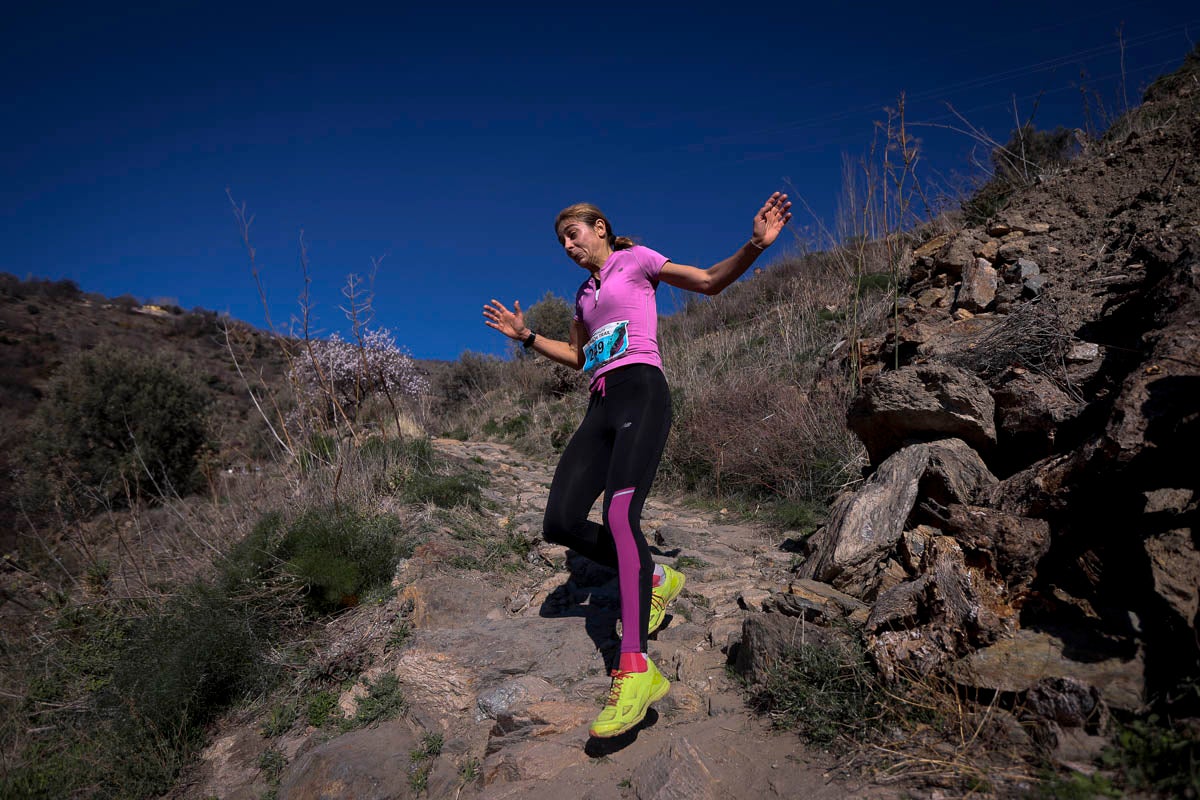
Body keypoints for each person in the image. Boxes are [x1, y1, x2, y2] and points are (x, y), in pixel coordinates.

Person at [482, 192, 791, 738]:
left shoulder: (639, 260)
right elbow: (580, 357)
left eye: (573, 234)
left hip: (641, 392)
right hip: (600, 403)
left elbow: (708, 281)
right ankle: (652, 577)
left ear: (600, 227)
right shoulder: (582, 296)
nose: (569, 246)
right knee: (560, 520)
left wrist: (753, 247)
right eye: (561, 242)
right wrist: (527, 338)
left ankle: (634, 669)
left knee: (622, 517)